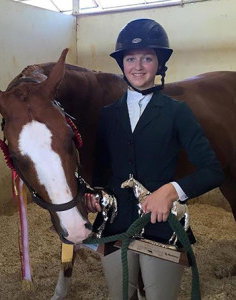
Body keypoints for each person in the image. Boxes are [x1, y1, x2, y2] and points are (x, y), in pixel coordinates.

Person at [85, 18, 224, 300]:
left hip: (161, 227)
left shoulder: (177, 112)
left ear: (159, 64)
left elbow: (212, 170)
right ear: (122, 64)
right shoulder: (108, 114)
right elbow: (101, 173)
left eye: (147, 58)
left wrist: (171, 191)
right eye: (131, 58)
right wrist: (95, 194)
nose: (138, 66)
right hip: (115, 225)